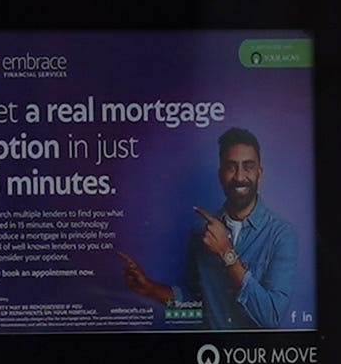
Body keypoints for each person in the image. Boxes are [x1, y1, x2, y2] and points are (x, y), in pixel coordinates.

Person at [116, 125, 300, 331]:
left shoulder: (282, 235)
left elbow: (271, 317)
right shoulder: (201, 231)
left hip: (254, 358)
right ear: (220, 174)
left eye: (248, 166)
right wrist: (151, 289)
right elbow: (196, 305)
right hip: (209, 355)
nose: (239, 177)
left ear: (260, 173)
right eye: (231, 167)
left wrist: (226, 253)